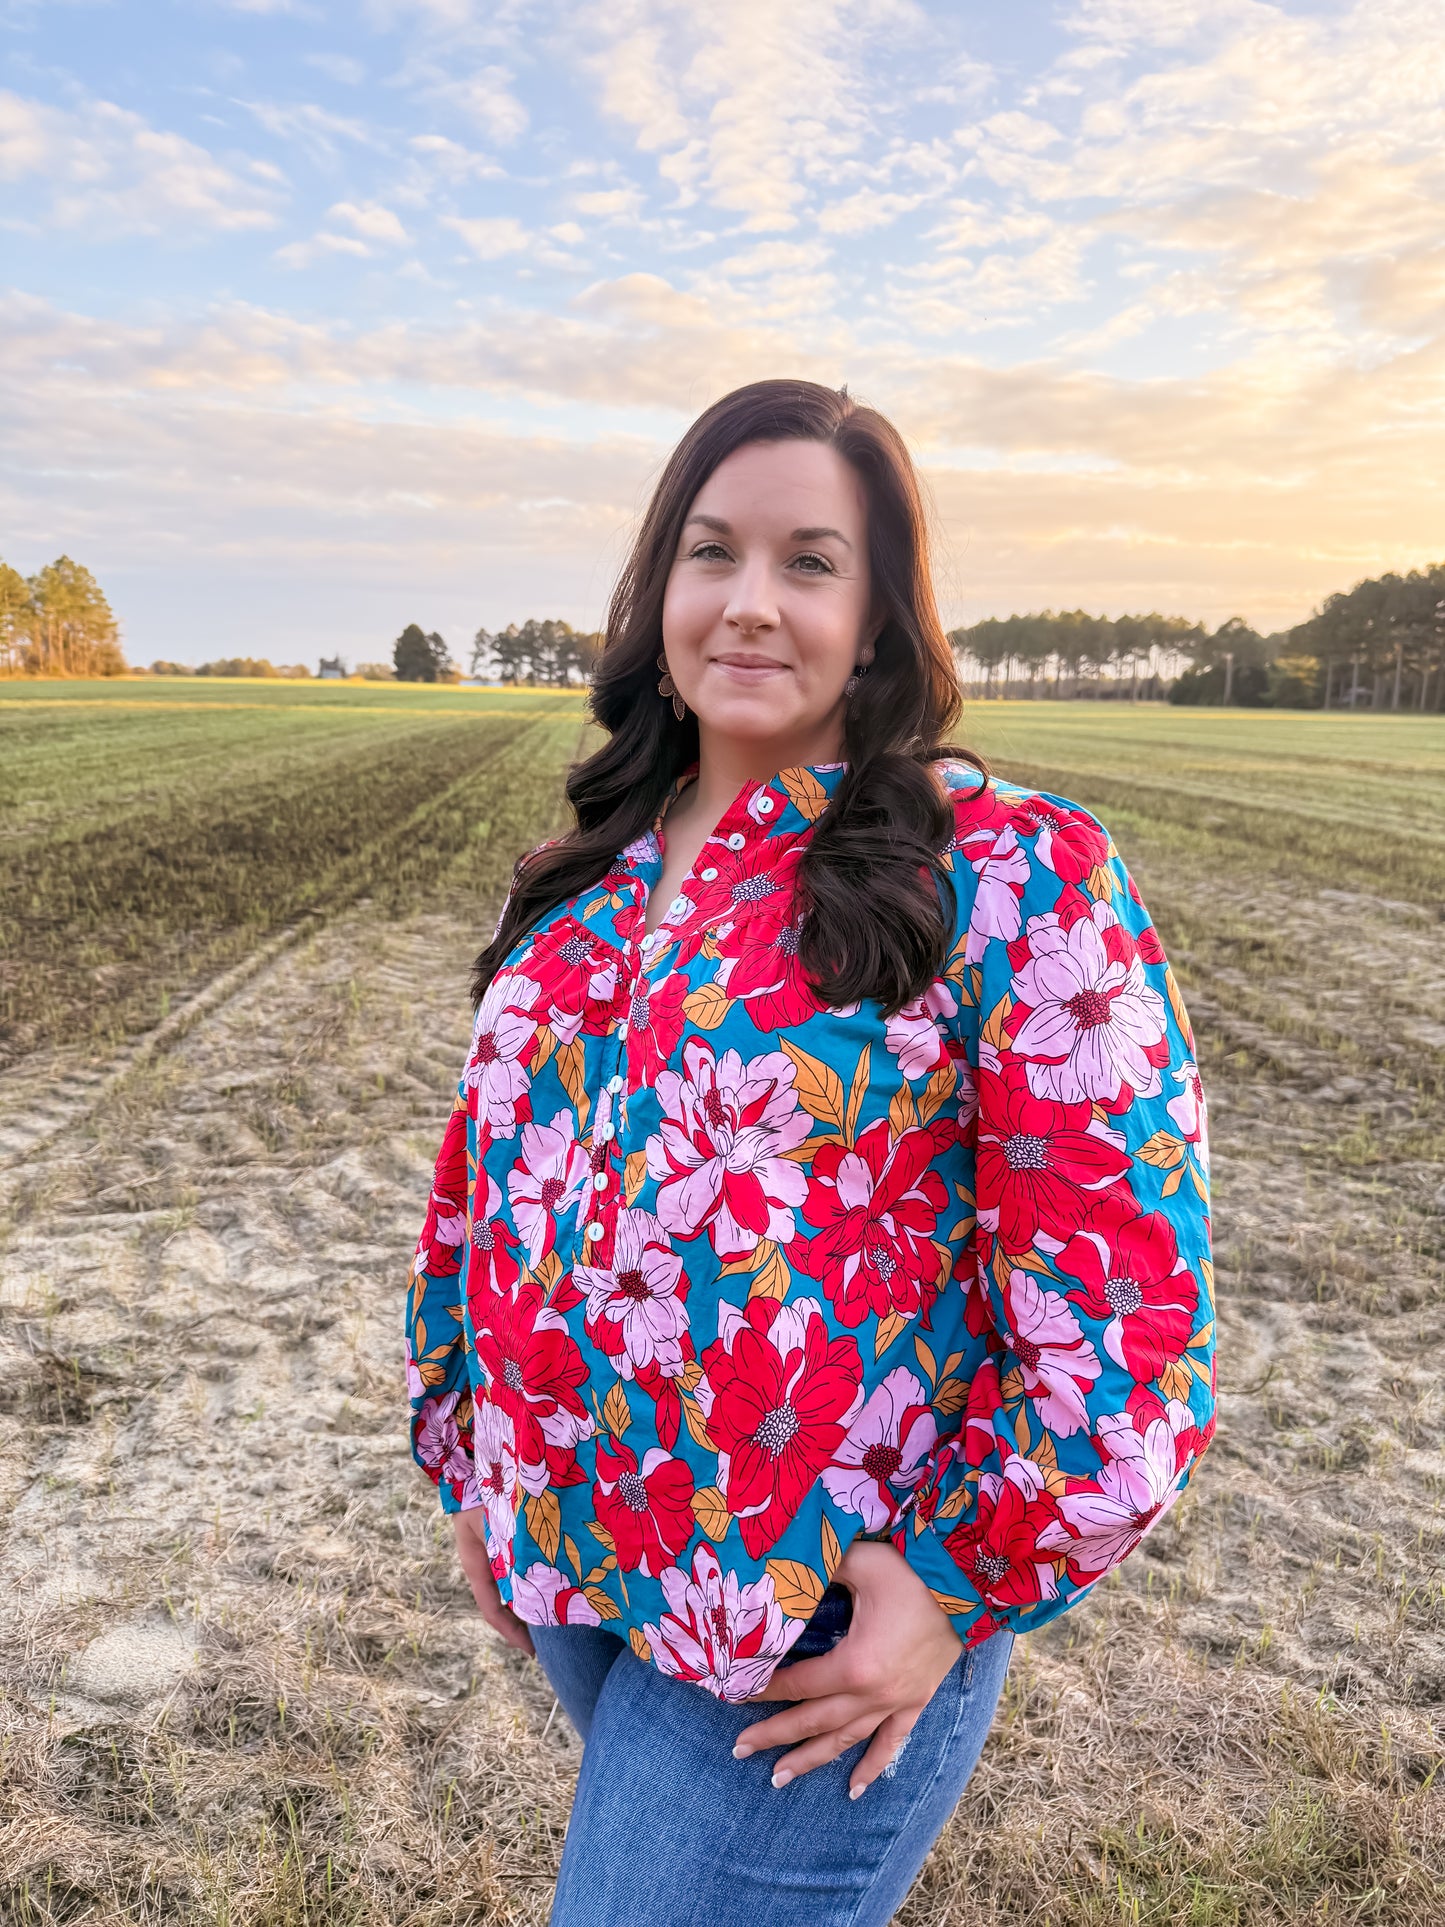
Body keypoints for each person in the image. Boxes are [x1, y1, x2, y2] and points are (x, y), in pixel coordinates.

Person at [405, 379, 1216, 1925]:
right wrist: (481, 1461)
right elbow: (482, 1195)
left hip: (817, 1614)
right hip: (582, 1558)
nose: (750, 603)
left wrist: (960, 1580)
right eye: (711, 553)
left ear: (882, 612)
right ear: (656, 593)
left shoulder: (999, 874)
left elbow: (1123, 1284)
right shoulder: (579, 888)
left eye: (810, 561)